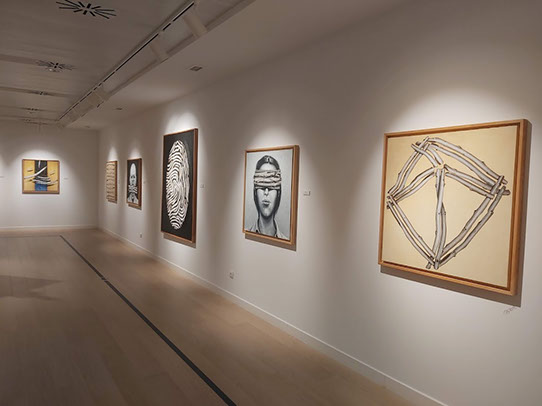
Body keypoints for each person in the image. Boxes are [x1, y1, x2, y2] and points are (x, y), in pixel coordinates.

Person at [248, 155, 287, 239]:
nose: (266, 192)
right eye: (262, 185)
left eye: (271, 186)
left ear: (278, 193)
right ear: (255, 191)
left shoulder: (285, 240)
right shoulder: (247, 234)